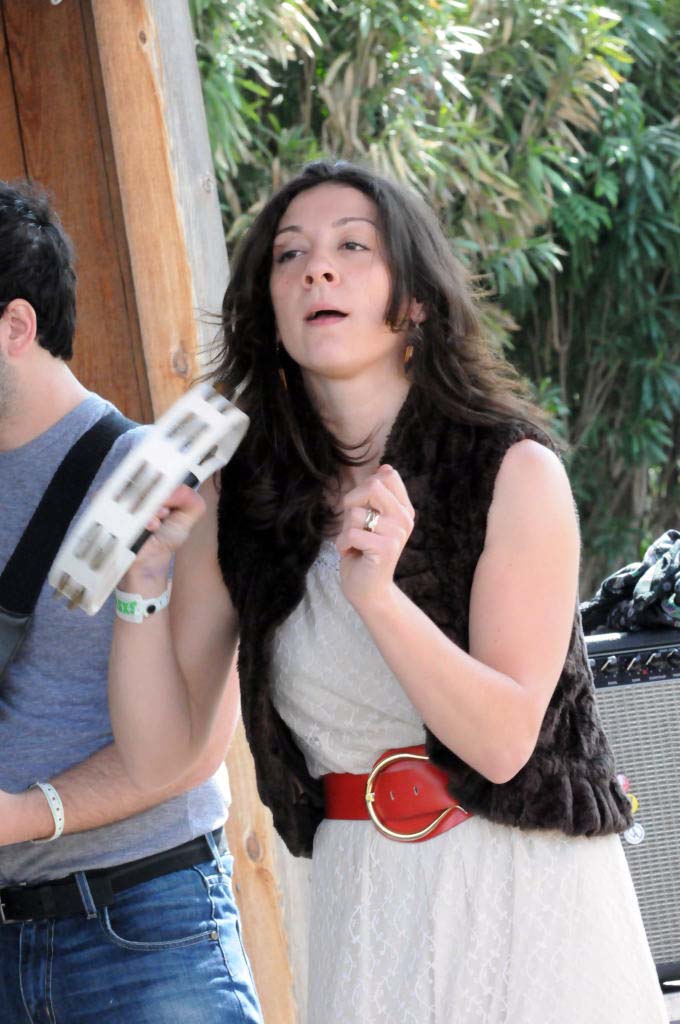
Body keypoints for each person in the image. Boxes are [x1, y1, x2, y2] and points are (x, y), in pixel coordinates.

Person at [108, 160, 667, 1024]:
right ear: (268, 309)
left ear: (414, 301)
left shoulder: (512, 469)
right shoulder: (243, 502)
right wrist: (141, 585)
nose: (316, 270)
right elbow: (161, 758)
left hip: (529, 903)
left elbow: (504, 745)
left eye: (352, 247)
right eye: (289, 255)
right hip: (364, 907)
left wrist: (378, 597)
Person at [0, 179, 262, 1024]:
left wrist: (22, 817)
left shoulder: (158, 481)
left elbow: (197, 744)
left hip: (144, 924)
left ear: (15, 328)